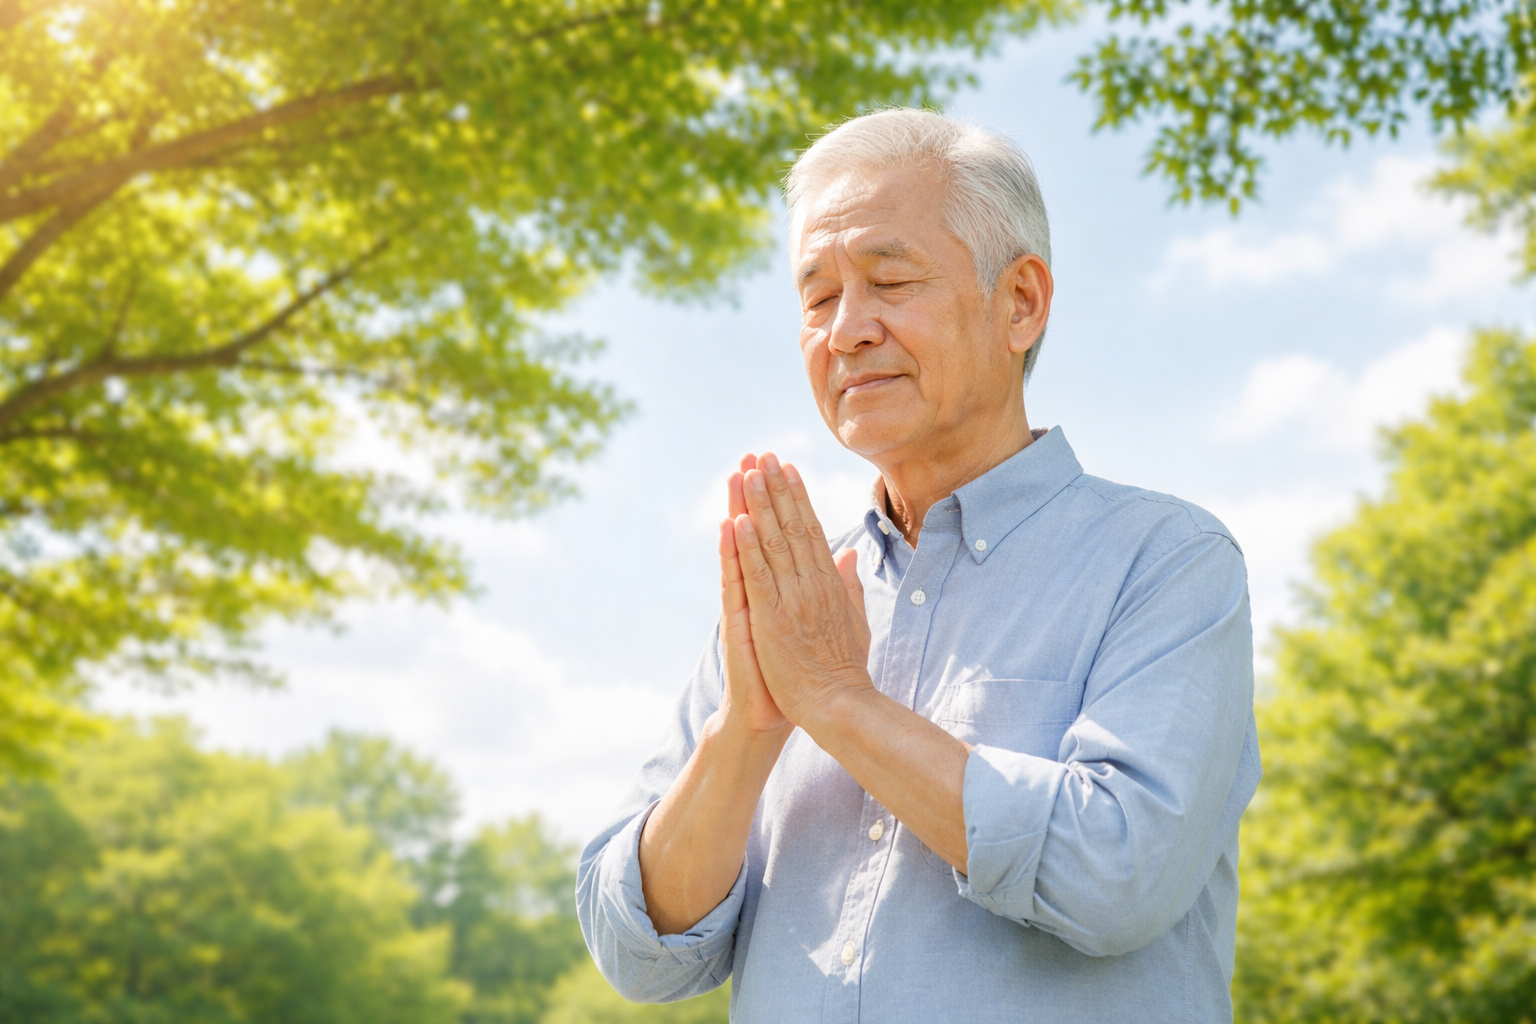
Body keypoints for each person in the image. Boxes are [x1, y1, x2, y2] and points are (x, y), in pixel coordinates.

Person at [576, 108, 1261, 1023]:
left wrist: (838, 703)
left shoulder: (1168, 563)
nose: (847, 330)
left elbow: (1118, 874)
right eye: (817, 298)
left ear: (1020, 302)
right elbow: (638, 956)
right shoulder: (794, 600)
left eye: (889, 280)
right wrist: (747, 728)